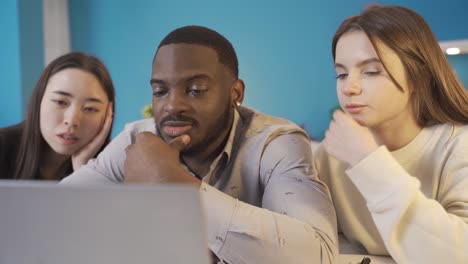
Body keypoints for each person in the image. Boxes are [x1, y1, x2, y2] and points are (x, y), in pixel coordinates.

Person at [62, 26, 338, 263]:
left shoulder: (275, 142)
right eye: (160, 91)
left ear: (236, 93)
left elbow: (321, 255)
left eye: (195, 90)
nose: (172, 105)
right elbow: (57, 217)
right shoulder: (138, 141)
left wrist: (178, 186)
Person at [314, 4, 468, 264]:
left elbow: (457, 254)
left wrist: (368, 160)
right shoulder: (328, 156)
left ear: (417, 77)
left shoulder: (457, 144)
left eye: (371, 71)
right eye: (341, 74)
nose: (349, 88)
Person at [0, 52, 115, 180]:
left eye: (90, 108)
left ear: (107, 114)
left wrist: (83, 172)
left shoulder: (114, 166)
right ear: (39, 100)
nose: (71, 121)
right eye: (60, 102)